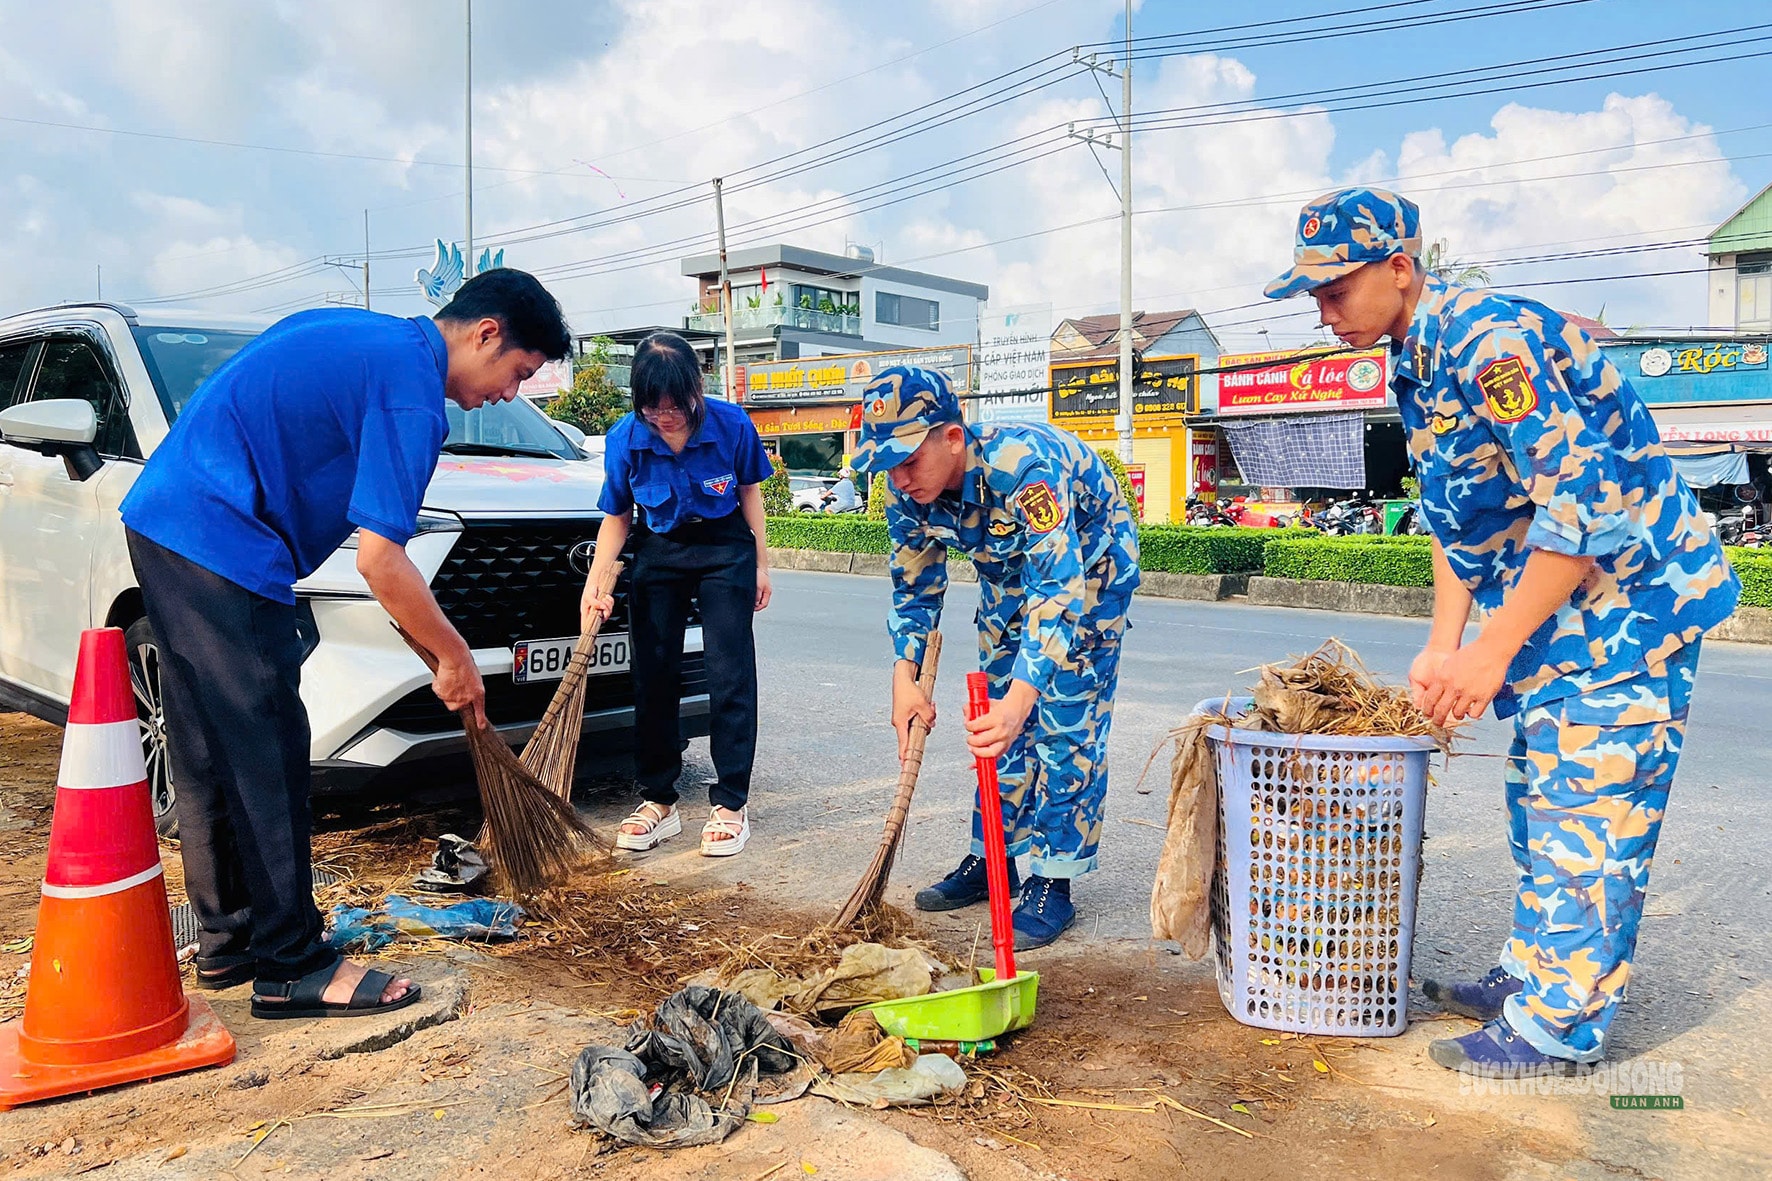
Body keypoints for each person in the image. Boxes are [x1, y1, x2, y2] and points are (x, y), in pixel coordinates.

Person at [1264, 188, 1740, 1074]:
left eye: (1334, 290)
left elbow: (1582, 504)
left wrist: (1492, 648)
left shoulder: (1489, 342)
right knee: (1535, 799)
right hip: (1565, 613)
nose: (1323, 312)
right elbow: (1459, 518)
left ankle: (1560, 1025)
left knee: (1589, 814)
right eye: (1314, 296)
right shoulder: (1415, 356)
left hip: (1633, 609)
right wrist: (1445, 645)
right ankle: (1530, 973)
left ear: (1398, 268)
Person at [120, 268, 572, 1019]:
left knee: (208, 747)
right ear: (486, 333)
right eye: (518, 373)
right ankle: (291, 965)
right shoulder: (411, 390)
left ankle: (232, 940)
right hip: (223, 537)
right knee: (268, 750)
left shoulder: (369, 338)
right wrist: (455, 656)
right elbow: (381, 562)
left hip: (167, 520)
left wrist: (435, 648)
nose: (510, 394)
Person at [852, 366, 1140, 950]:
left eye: (908, 460)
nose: (898, 477)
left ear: (952, 438)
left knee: (1063, 725)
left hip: (1089, 574)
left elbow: (1058, 585)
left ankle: (1053, 880)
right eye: (885, 464)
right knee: (995, 723)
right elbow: (914, 590)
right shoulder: (905, 489)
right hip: (1008, 579)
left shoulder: (1025, 468)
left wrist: (1023, 700)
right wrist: (905, 680)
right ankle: (994, 858)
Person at [580, 333, 774, 857]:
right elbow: (617, 517)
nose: (665, 418)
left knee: (729, 673)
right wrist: (596, 585)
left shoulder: (732, 424)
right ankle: (658, 801)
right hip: (659, 550)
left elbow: (750, 492)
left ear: (697, 389)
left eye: (676, 407)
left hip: (725, 549)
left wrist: (761, 565)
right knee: (654, 674)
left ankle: (731, 804)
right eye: (653, 408)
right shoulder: (625, 438)